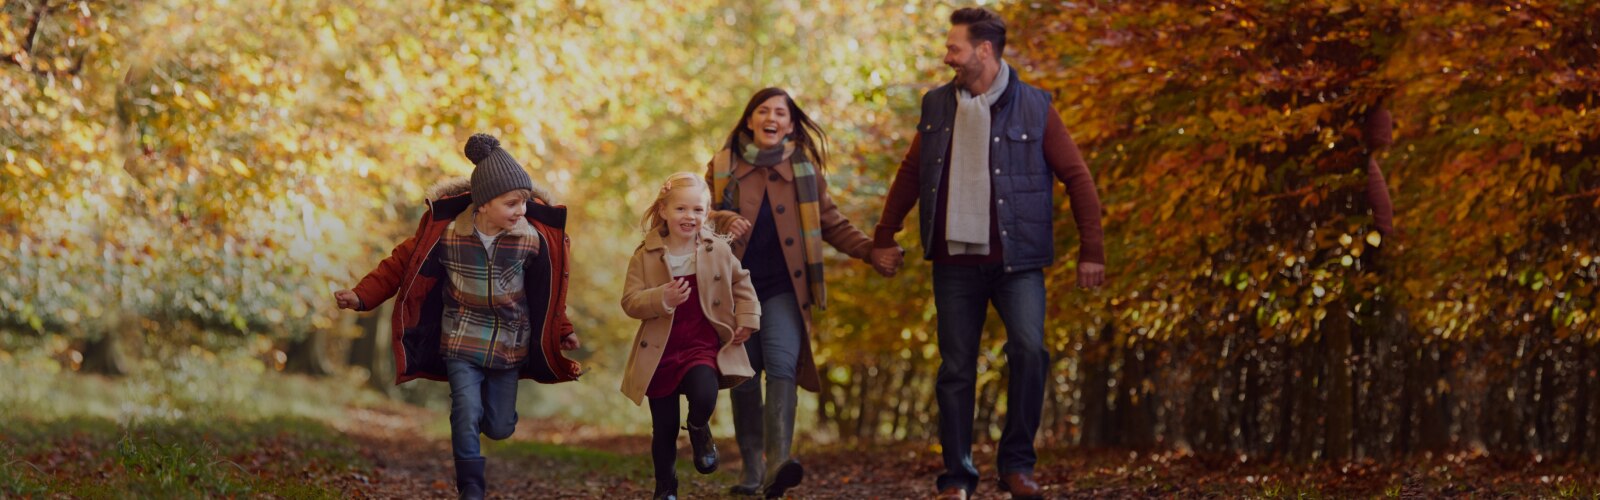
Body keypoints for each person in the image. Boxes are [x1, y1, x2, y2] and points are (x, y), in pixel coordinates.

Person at [870, 7, 1107, 499]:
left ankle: (1016, 466)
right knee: (956, 369)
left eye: (954, 47)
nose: (947, 56)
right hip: (955, 262)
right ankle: (956, 478)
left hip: (1018, 263)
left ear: (984, 50)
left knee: (1030, 351)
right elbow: (911, 173)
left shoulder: (1037, 107)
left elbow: (1078, 178)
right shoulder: (937, 105)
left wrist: (1093, 250)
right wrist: (884, 235)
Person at [333, 133, 582, 500]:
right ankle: (471, 487)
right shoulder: (446, 234)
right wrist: (360, 297)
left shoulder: (531, 239)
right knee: (464, 410)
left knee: (498, 427)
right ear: (483, 204)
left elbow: (548, 293)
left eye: (525, 202)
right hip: (461, 337)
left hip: (509, 345)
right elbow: (399, 266)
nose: (522, 211)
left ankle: (490, 419)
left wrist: (562, 330)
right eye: (512, 203)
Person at [705, 87, 883, 497]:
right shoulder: (721, 166)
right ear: (749, 120)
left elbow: (833, 225)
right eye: (763, 111)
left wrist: (871, 252)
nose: (772, 118)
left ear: (790, 123)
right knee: (743, 375)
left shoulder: (805, 171)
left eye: (780, 113)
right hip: (735, 292)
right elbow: (698, 217)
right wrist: (723, 218)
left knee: (783, 366)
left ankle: (776, 467)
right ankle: (752, 469)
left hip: (785, 289)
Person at [619, 172, 760, 500]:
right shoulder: (646, 254)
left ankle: (698, 428)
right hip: (660, 350)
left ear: (707, 213)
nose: (690, 217)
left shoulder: (717, 250)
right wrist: (661, 299)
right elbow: (630, 301)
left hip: (701, 344)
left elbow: (742, 283)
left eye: (698, 210)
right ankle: (665, 487)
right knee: (665, 429)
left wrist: (747, 318)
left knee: (704, 393)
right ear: (664, 210)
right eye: (681, 209)